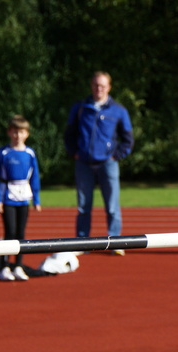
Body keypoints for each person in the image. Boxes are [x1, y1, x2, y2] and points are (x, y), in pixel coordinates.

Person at [64, 71, 134, 255]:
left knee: (112, 205)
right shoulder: (80, 107)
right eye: (96, 85)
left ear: (109, 87)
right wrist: (74, 153)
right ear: (91, 86)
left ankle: (115, 242)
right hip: (84, 163)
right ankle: (82, 242)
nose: (98, 89)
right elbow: (69, 133)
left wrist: (115, 156)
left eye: (102, 85)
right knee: (83, 205)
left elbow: (128, 139)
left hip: (108, 163)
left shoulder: (119, 110)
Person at [0, 115, 42, 281]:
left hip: (23, 195)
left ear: (26, 134)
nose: (18, 136)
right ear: (9, 133)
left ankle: (18, 266)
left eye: (21, 132)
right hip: (8, 195)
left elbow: (34, 177)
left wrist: (36, 199)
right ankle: (4, 267)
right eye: (14, 132)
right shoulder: (3, 152)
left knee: (21, 232)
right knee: (10, 231)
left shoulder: (30, 153)